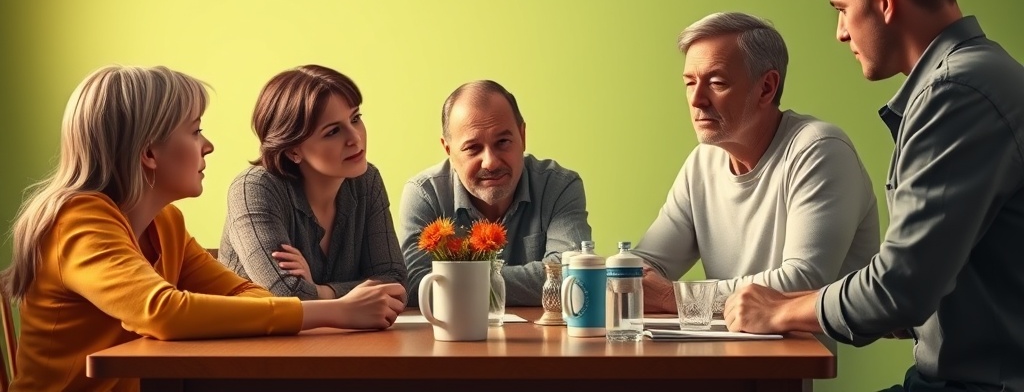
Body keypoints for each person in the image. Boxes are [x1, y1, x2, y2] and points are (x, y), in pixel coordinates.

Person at [724, 0, 1024, 392]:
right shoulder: (975, 80)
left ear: (882, 1)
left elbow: (899, 287)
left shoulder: (956, 94)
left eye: (842, 9)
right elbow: (937, 279)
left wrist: (781, 308)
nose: (840, 33)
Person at [0, 65, 406, 392]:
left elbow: (247, 293)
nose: (208, 145)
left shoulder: (167, 222)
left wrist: (314, 300)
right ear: (148, 153)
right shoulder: (78, 219)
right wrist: (336, 310)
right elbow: (163, 312)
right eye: (195, 131)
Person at [632, 11, 880, 315]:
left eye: (717, 82)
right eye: (690, 82)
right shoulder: (702, 161)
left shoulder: (819, 149)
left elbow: (804, 281)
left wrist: (675, 298)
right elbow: (648, 265)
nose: (696, 100)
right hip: (720, 353)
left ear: (766, 88)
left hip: (793, 358)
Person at [219, 65, 408, 300]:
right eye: (333, 131)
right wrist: (346, 295)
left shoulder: (366, 181)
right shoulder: (253, 189)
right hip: (254, 336)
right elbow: (284, 294)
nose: (355, 137)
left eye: (355, 118)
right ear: (292, 151)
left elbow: (394, 279)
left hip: (340, 336)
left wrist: (321, 291)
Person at [399, 80, 592, 306]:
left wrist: (457, 281)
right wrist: (539, 277)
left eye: (503, 142)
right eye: (472, 148)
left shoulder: (559, 187)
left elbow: (573, 278)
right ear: (448, 150)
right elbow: (416, 286)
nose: (490, 162)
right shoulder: (424, 194)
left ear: (523, 136)